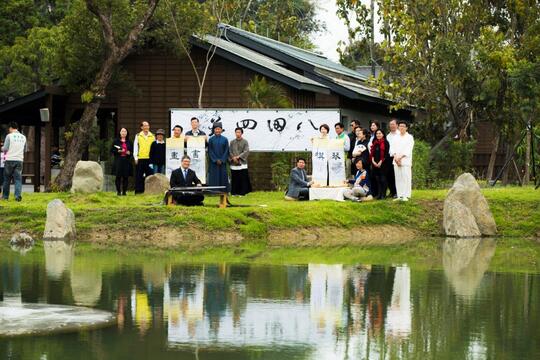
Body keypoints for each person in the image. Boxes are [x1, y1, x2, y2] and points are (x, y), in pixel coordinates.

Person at [1, 122, 26, 201]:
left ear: (11, 128)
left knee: (7, 179)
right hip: (19, 160)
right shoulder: (23, 137)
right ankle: (17, 196)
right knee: (18, 179)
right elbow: (25, 149)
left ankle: (5, 197)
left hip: (10, 159)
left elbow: (5, 149)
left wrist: (1, 148)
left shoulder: (9, 136)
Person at [390, 120, 415, 201]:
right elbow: (392, 148)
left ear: (406, 128)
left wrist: (400, 157)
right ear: (398, 127)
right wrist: (396, 157)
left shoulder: (409, 137)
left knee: (405, 177)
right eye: (400, 126)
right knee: (398, 178)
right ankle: (399, 195)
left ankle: (406, 195)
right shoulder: (395, 137)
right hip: (396, 160)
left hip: (405, 161)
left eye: (403, 126)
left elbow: (409, 149)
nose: (401, 128)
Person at [133, 121, 155, 194]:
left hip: (150, 159)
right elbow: (135, 147)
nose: (146, 127)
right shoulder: (138, 135)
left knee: (150, 176)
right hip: (141, 158)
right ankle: (139, 191)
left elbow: (154, 147)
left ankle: (149, 191)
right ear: (141, 127)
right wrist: (136, 157)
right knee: (139, 176)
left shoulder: (152, 136)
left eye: (147, 125)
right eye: (144, 126)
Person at [229, 127, 252, 196]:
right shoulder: (232, 142)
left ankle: (242, 192)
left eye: (239, 132)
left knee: (242, 178)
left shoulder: (245, 141)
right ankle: (234, 192)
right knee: (235, 178)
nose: (237, 133)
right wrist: (233, 158)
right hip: (234, 163)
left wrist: (238, 157)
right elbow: (230, 151)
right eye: (236, 132)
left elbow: (246, 151)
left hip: (242, 163)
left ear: (241, 133)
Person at [111, 127, 133, 196]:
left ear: (127, 133)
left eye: (125, 131)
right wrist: (118, 151)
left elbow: (132, 152)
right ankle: (118, 191)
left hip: (126, 161)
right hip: (118, 161)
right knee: (118, 176)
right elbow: (112, 150)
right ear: (120, 133)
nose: (123, 133)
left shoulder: (129, 142)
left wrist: (129, 153)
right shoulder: (116, 141)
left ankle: (124, 192)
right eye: (122, 131)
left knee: (125, 177)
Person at [207, 122, 229, 191]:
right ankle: (214, 190)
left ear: (221, 130)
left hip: (222, 162)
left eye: (219, 129)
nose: (217, 130)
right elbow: (210, 151)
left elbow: (226, 150)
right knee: (214, 176)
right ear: (214, 130)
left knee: (223, 175)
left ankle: (224, 190)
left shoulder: (225, 139)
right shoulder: (211, 139)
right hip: (214, 162)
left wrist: (222, 160)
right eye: (216, 129)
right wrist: (215, 160)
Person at [370, 129, 390, 200]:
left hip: (383, 164)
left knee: (383, 179)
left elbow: (386, 154)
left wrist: (381, 162)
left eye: (380, 133)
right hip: (375, 164)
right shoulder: (374, 142)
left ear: (383, 134)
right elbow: (372, 153)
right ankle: (379, 194)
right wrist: (373, 161)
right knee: (377, 179)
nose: (378, 135)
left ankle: (383, 195)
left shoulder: (386, 142)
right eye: (377, 133)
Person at [386, 119, 399, 198]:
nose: (392, 126)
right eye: (390, 124)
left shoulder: (399, 134)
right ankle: (392, 191)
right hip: (388, 157)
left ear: (397, 125)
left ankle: (397, 192)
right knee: (389, 175)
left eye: (393, 124)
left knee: (396, 175)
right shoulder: (388, 136)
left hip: (397, 157)